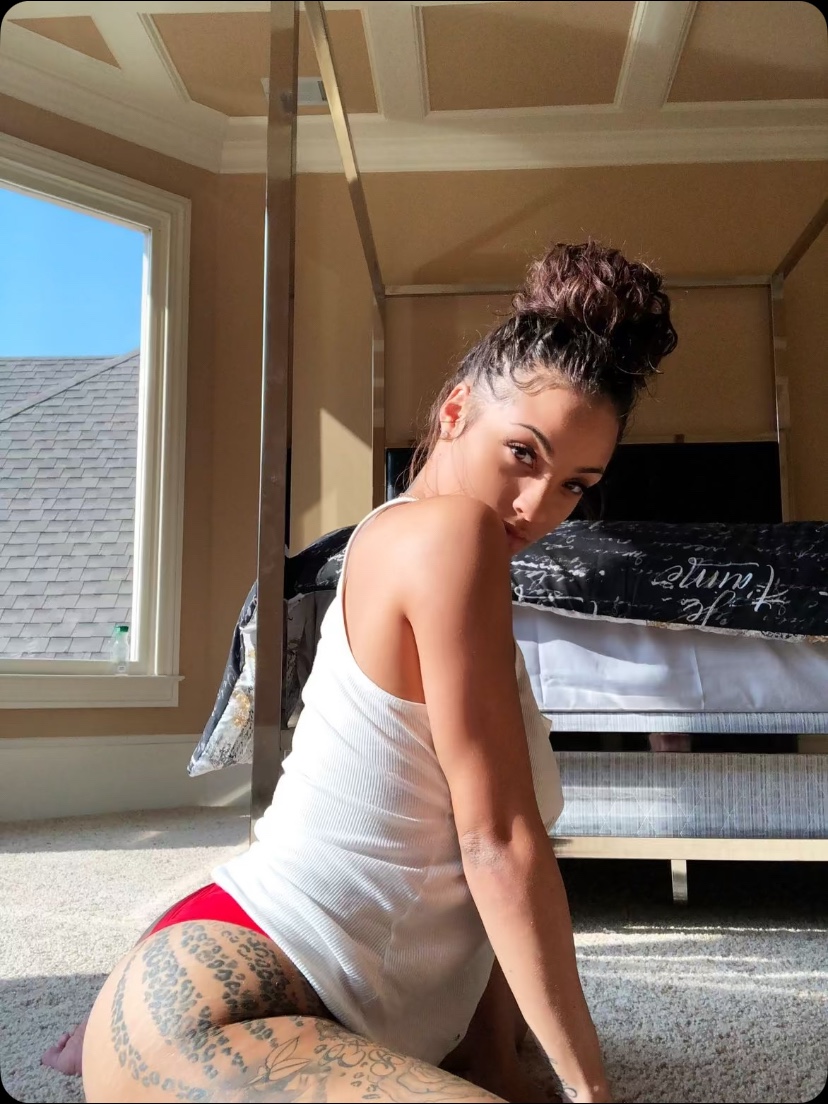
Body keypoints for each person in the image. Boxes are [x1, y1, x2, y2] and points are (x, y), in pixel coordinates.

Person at [49, 240, 677, 1103]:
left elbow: (472, 873)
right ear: (455, 411)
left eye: (575, 484)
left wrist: (500, 1064)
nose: (538, 507)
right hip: (223, 999)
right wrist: (592, 1092)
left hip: (294, 1003)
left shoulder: (439, 560)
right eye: (523, 454)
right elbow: (496, 845)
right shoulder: (450, 533)